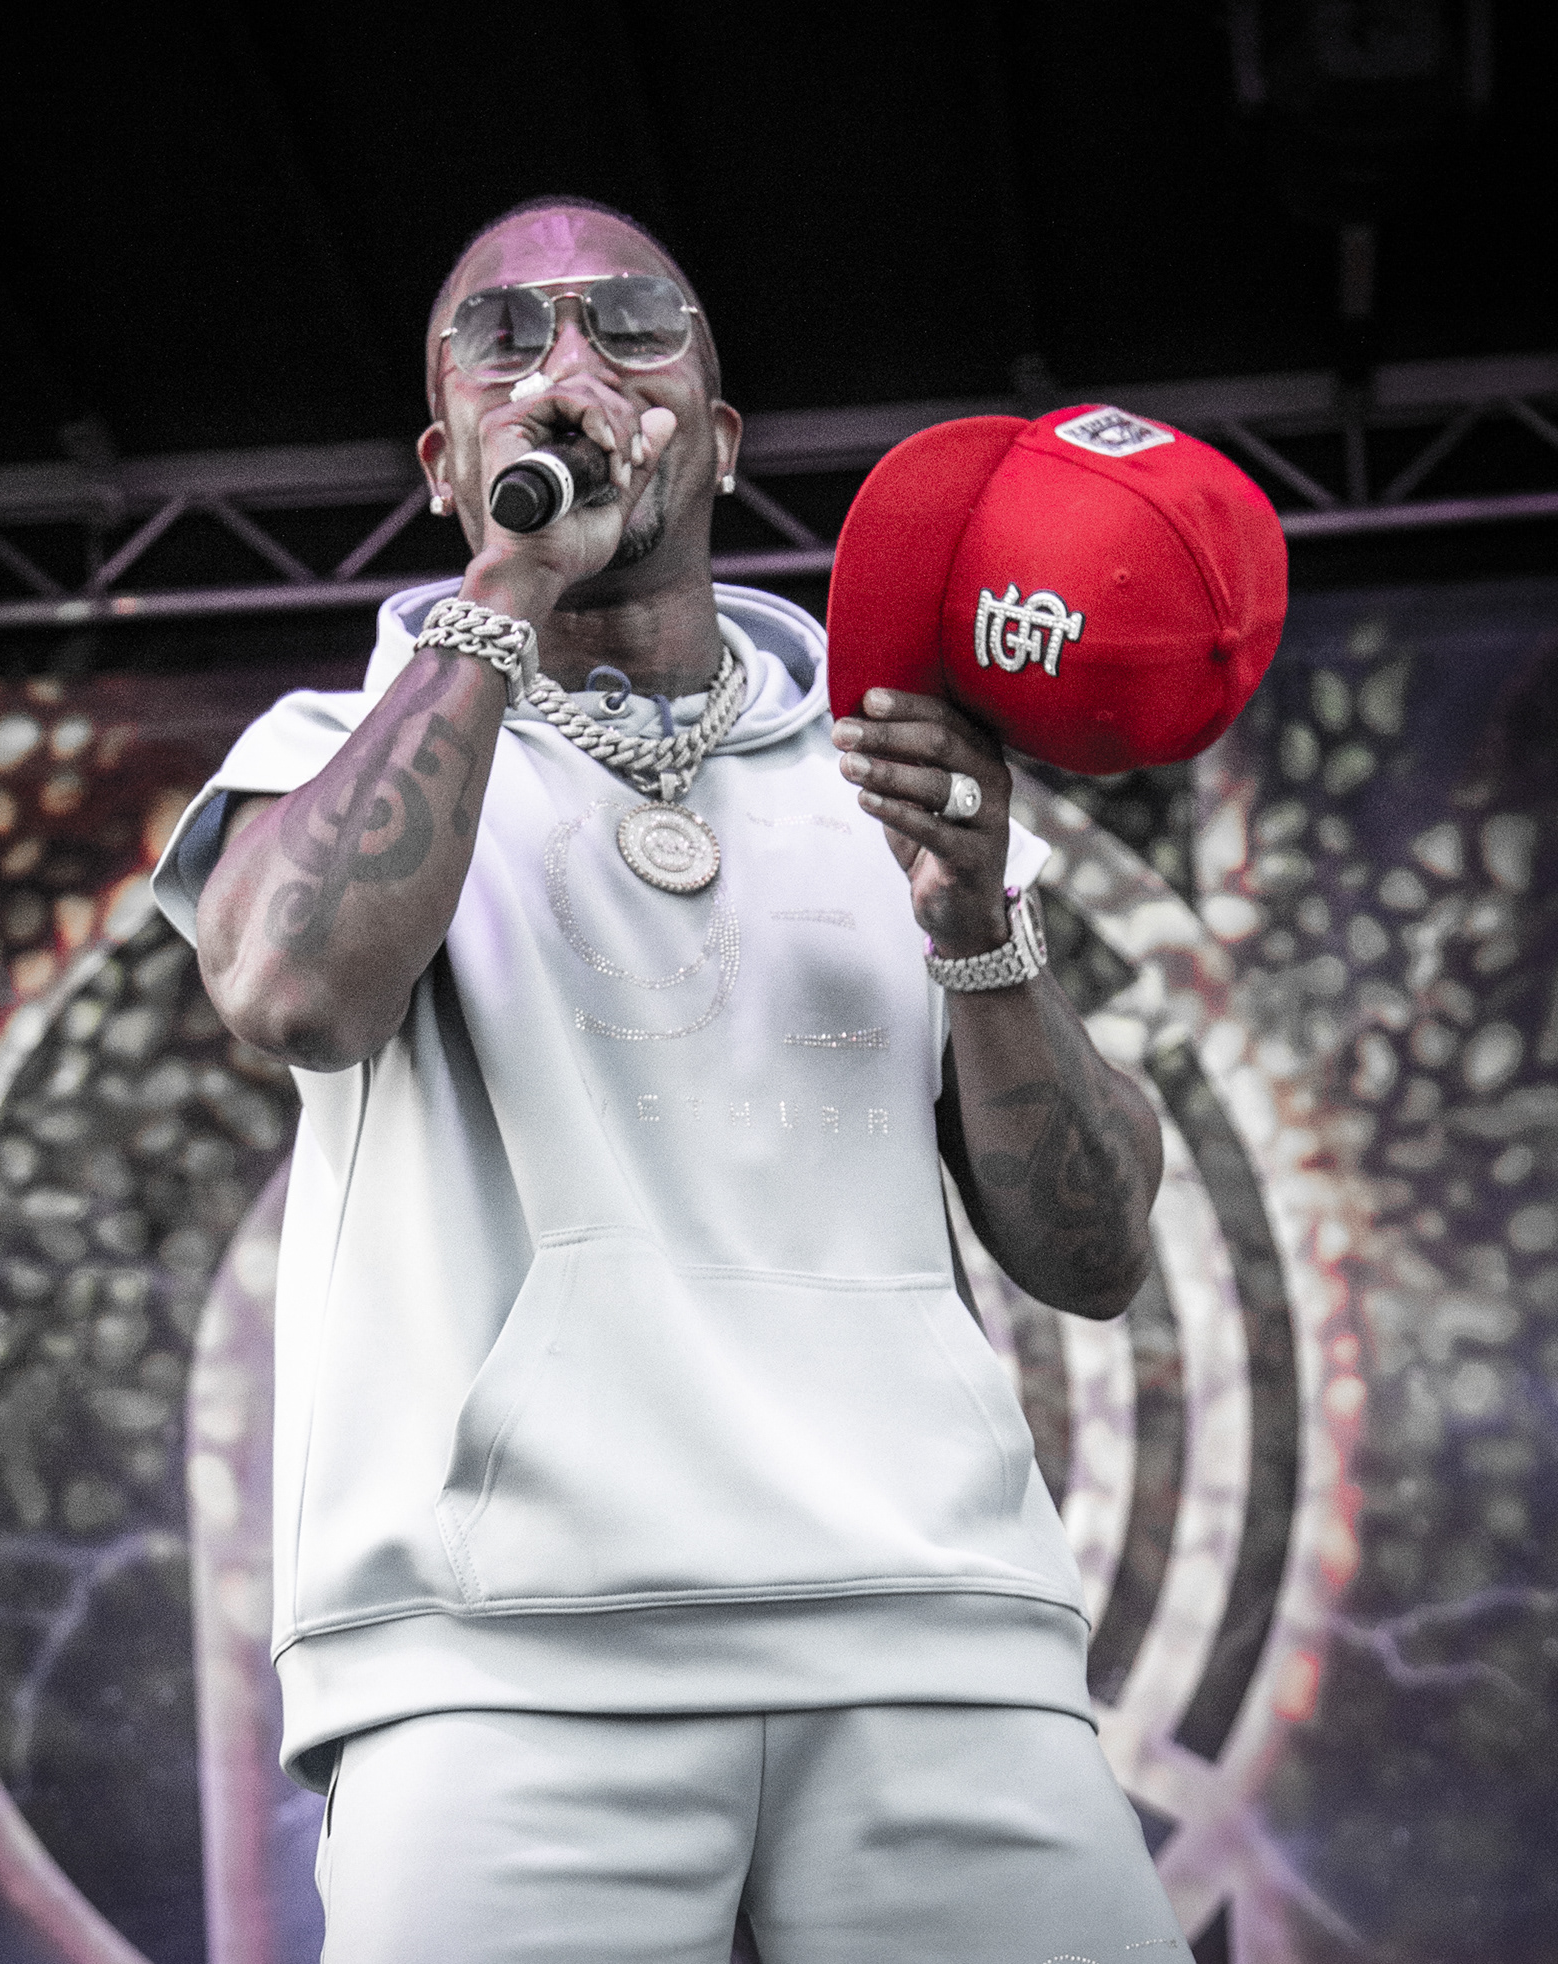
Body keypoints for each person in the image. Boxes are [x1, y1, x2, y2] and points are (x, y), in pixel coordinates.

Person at [152, 196, 1188, 1964]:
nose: (569, 369)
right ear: (444, 463)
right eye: (506, 340)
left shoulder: (895, 768)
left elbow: (1095, 1255)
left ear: (718, 436)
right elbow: (294, 991)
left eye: (631, 328)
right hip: (503, 1676)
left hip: (937, 1642)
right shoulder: (338, 753)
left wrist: (977, 928)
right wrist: (513, 584)